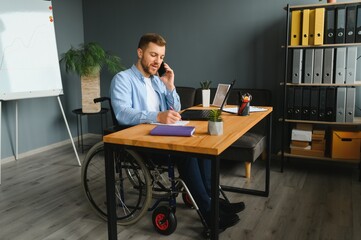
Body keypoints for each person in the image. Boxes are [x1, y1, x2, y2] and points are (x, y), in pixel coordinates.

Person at [110, 33, 244, 231]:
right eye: (153, 55)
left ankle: (213, 201)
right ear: (140, 52)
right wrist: (157, 116)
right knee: (187, 155)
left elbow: (177, 110)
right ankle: (209, 213)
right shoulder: (122, 79)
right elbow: (122, 113)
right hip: (141, 141)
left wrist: (171, 86)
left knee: (204, 146)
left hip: (164, 133)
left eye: (162, 57)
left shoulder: (157, 81)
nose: (158, 61)